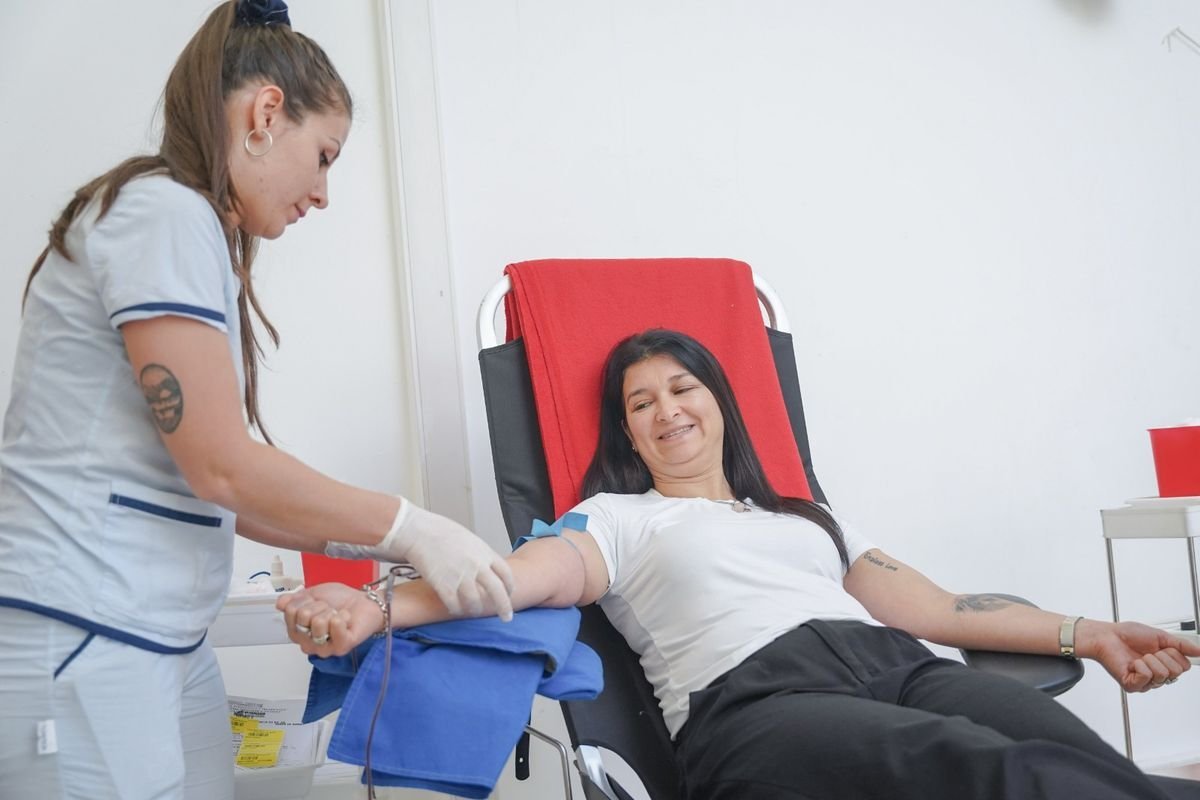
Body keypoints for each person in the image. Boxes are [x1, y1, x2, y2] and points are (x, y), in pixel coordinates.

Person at [279, 328, 1200, 800]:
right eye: (641, 403)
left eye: (682, 387)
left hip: (899, 668)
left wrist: (1091, 632)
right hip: (760, 706)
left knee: (1068, 756)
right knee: (989, 773)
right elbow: (513, 580)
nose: (666, 409)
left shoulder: (804, 515)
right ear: (628, 435)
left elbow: (941, 607)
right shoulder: (617, 518)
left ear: (719, 400)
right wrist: (376, 611)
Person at [0, 2, 513, 798]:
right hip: (83, 630)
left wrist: (393, 549)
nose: (322, 194)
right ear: (267, 113)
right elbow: (222, 468)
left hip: (158, 639)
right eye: (325, 156)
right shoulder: (165, 213)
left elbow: (224, 492)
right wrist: (413, 526)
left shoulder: (185, 225)